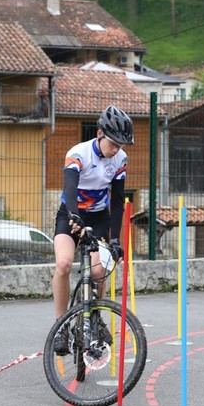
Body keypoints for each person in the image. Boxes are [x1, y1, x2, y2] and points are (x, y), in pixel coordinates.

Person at [52, 104, 134, 355]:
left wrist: (115, 239)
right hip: (71, 214)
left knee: (98, 271)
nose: (116, 149)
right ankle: (61, 325)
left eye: (121, 145)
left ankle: (95, 317)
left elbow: (117, 202)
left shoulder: (120, 159)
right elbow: (69, 188)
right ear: (99, 134)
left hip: (98, 218)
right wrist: (74, 216)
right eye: (113, 144)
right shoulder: (78, 153)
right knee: (64, 264)